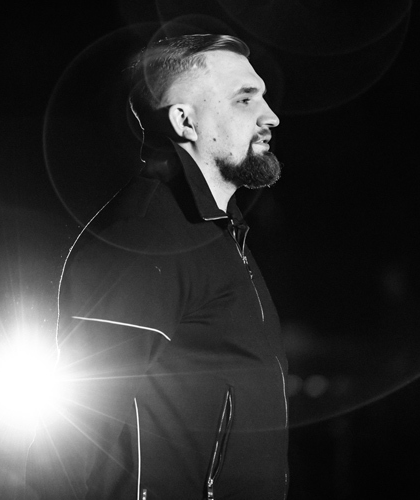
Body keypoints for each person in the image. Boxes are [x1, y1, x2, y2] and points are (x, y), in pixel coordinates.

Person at [27, 33, 288, 500]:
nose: (271, 117)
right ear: (185, 120)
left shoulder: (220, 233)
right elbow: (69, 439)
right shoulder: (144, 238)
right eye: (245, 99)